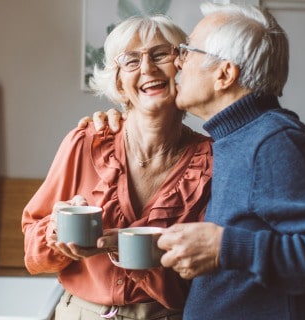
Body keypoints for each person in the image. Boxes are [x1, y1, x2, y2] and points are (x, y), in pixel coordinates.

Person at [81, 2, 305, 319]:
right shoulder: (236, 138)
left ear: (224, 74)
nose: (178, 63)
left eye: (188, 52)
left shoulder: (274, 143)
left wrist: (225, 248)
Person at [21, 15, 213, 319]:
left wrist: (130, 249)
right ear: (119, 84)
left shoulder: (211, 160)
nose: (148, 68)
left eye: (160, 54)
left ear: (182, 67)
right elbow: (33, 253)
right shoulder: (84, 142)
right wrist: (54, 233)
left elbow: (210, 272)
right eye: (131, 61)